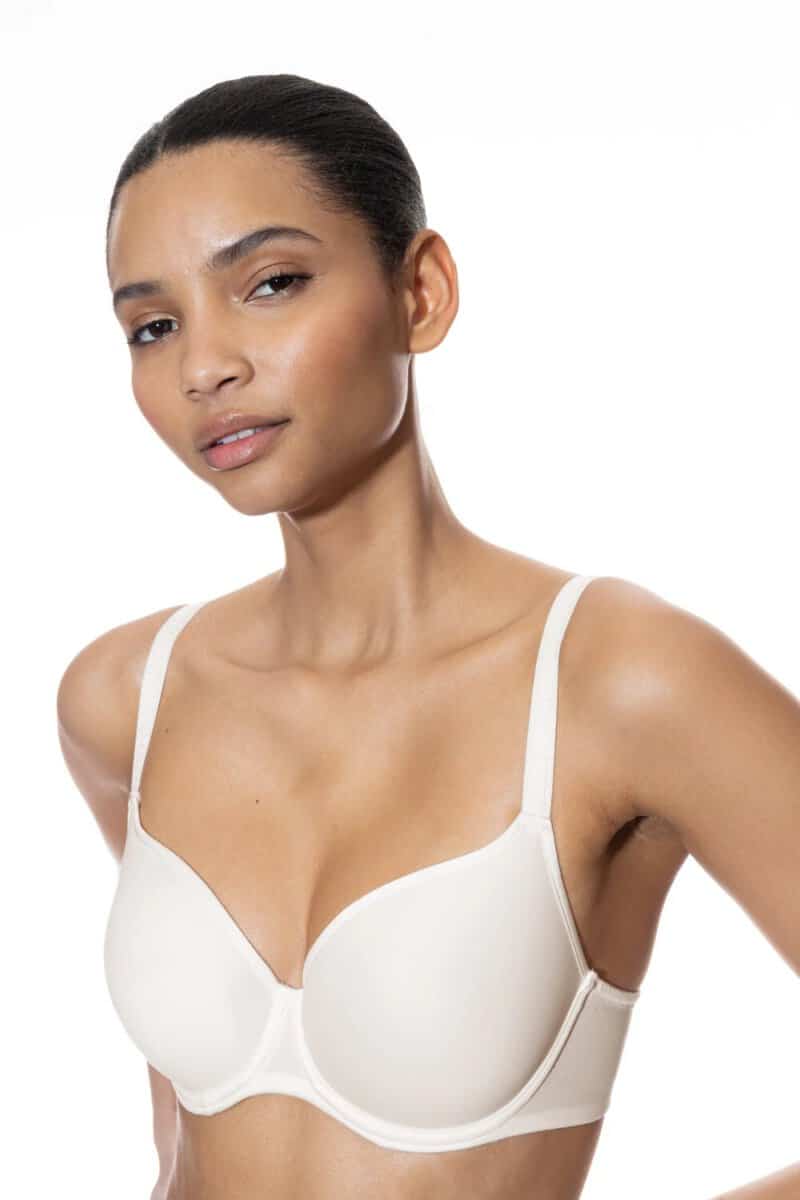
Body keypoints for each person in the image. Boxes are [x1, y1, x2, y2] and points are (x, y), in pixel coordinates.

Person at [56, 74, 800, 1200]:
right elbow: (179, 1142)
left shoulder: (620, 682)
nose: (204, 367)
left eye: (270, 283)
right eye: (152, 326)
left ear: (421, 292)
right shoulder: (124, 697)